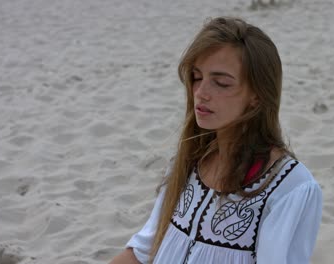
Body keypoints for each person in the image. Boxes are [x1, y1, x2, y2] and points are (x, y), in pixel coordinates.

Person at [110, 16, 322, 264]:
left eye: (221, 83)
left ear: (257, 95)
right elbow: (142, 252)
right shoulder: (187, 162)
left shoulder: (290, 188)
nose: (201, 93)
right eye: (197, 77)